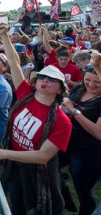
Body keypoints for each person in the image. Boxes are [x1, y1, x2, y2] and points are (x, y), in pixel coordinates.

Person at [0, 22, 72, 215]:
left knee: (47, 207)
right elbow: (14, 65)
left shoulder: (62, 121)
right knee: (17, 205)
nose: (45, 81)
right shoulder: (25, 93)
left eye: (52, 80)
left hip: (40, 171)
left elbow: (43, 156)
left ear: (60, 89)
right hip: (17, 165)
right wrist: (5, 36)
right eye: (42, 77)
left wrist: (4, 154)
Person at [59, 64, 101, 215]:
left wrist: (73, 110)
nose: (91, 84)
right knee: (47, 168)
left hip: (88, 152)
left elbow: (99, 133)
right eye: (87, 79)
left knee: (82, 190)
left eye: (97, 82)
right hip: (66, 141)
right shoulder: (78, 88)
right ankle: (63, 197)